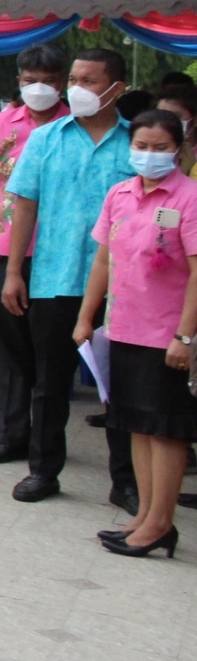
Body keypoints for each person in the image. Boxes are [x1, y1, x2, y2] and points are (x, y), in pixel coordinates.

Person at [1, 48, 138, 508]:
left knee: (119, 385)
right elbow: (25, 205)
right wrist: (14, 271)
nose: (77, 88)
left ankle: (126, 481)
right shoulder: (46, 139)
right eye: (74, 79)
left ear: (117, 89)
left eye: (90, 80)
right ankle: (44, 470)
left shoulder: (134, 143)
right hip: (55, 276)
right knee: (49, 380)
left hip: (122, 286)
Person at [76, 109, 197, 558]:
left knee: (166, 428)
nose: (149, 156)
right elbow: (104, 260)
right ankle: (145, 515)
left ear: (179, 150)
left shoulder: (189, 199)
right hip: (124, 326)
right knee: (137, 425)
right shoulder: (121, 194)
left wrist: (185, 335)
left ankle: (162, 523)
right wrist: (86, 318)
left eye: (160, 148)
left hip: (167, 333)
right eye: (141, 146)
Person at [0, 44, 70, 464]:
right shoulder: (1, 123)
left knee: (49, 350)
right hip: (4, 245)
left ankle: (46, 443)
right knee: (9, 347)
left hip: (56, 250)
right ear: (18, 81)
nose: (38, 88)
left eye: (47, 81)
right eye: (30, 81)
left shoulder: (75, 125)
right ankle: (11, 435)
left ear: (61, 83)